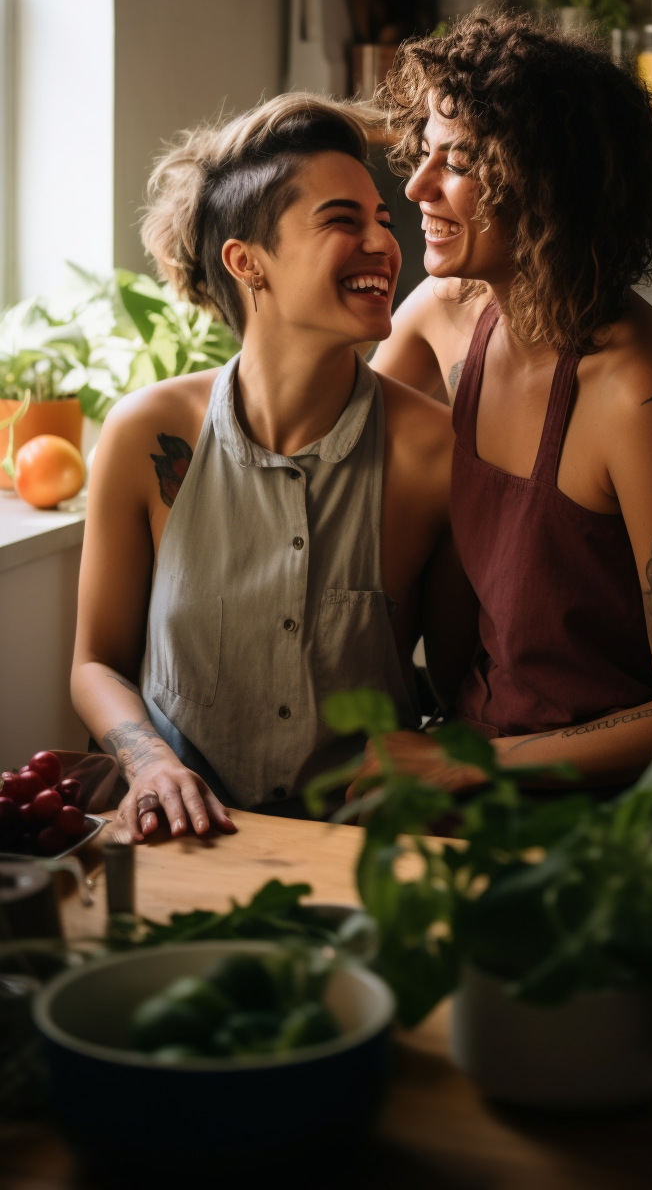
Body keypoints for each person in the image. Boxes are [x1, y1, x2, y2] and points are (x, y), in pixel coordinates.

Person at [71, 94, 475, 843]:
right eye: (341, 221)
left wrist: (436, 758)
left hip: (359, 849)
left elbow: (464, 692)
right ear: (246, 261)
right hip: (183, 838)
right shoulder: (144, 436)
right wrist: (151, 763)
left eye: (381, 220)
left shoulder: (436, 453)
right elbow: (96, 662)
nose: (383, 245)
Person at [361, 11, 652, 795]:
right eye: (423, 155)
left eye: (456, 162)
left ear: (540, 181)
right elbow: (334, 441)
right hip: (472, 772)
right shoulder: (444, 312)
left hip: (604, 818)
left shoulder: (636, 388)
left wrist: (461, 769)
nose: (415, 186)